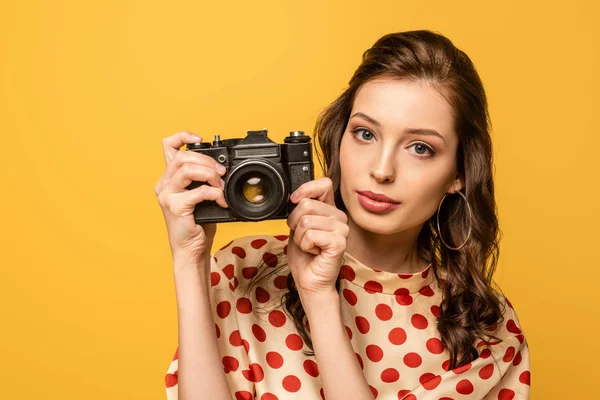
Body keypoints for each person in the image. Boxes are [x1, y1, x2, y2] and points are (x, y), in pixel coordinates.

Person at [156, 30, 531, 400]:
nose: (382, 170)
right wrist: (190, 261)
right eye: (365, 134)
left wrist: (319, 300)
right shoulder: (244, 272)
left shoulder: (486, 332)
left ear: (459, 173)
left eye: (420, 148)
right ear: (339, 139)